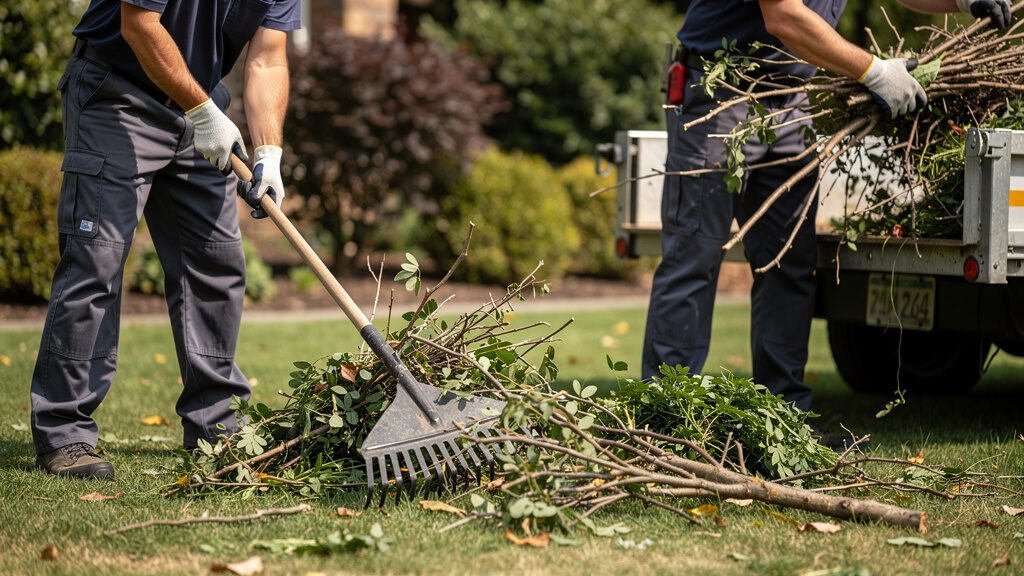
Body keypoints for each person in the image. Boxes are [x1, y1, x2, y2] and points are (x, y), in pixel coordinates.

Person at [641, 0, 1012, 414]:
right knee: (695, 254)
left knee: (790, 264)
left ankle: (784, 417)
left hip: (790, 101)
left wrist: (962, 0)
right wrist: (874, 70)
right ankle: (665, 417)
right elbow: (782, 15)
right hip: (719, 93)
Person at [31, 0, 301, 480]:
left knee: (215, 265)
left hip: (199, 107)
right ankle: (65, 433)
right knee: (98, 259)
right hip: (117, 93)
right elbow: (138, 24)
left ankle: (216, 429)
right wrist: (202, 111)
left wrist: (270, 151)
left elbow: (267, 58)